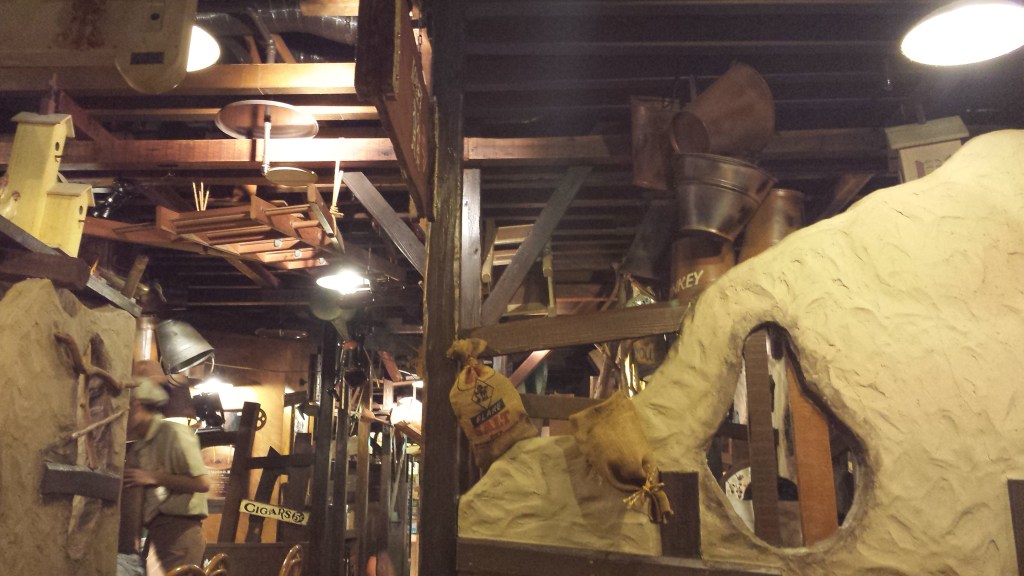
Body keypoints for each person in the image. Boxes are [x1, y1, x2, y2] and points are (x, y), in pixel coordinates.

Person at [124, 378, 211, 575]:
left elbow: (202, 483)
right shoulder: (139, 446)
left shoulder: (175, 433)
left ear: (136, 406)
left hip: (180, 531)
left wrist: (152, 477)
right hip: (156, 532)